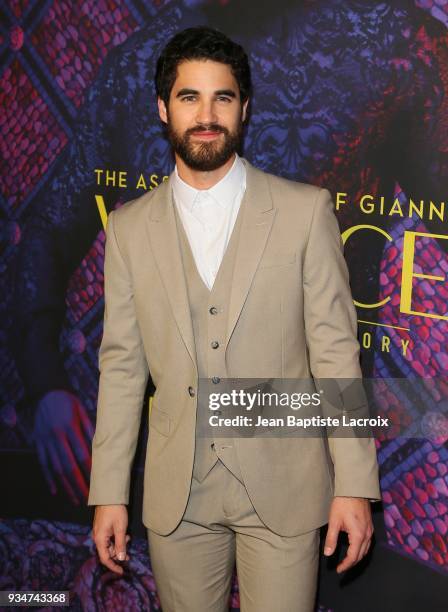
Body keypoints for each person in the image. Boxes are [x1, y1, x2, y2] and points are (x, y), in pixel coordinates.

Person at [88, 26, 381, 611]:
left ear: (244, 109)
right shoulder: (126, 229)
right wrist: (109, 492)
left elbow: (334, 353)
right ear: (162, 108)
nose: (205, 114)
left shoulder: (304, 211)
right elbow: (122, 368)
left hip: (284, 487)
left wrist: (354, 484)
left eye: (222, 97)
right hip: (179, 495)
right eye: (188, 96)